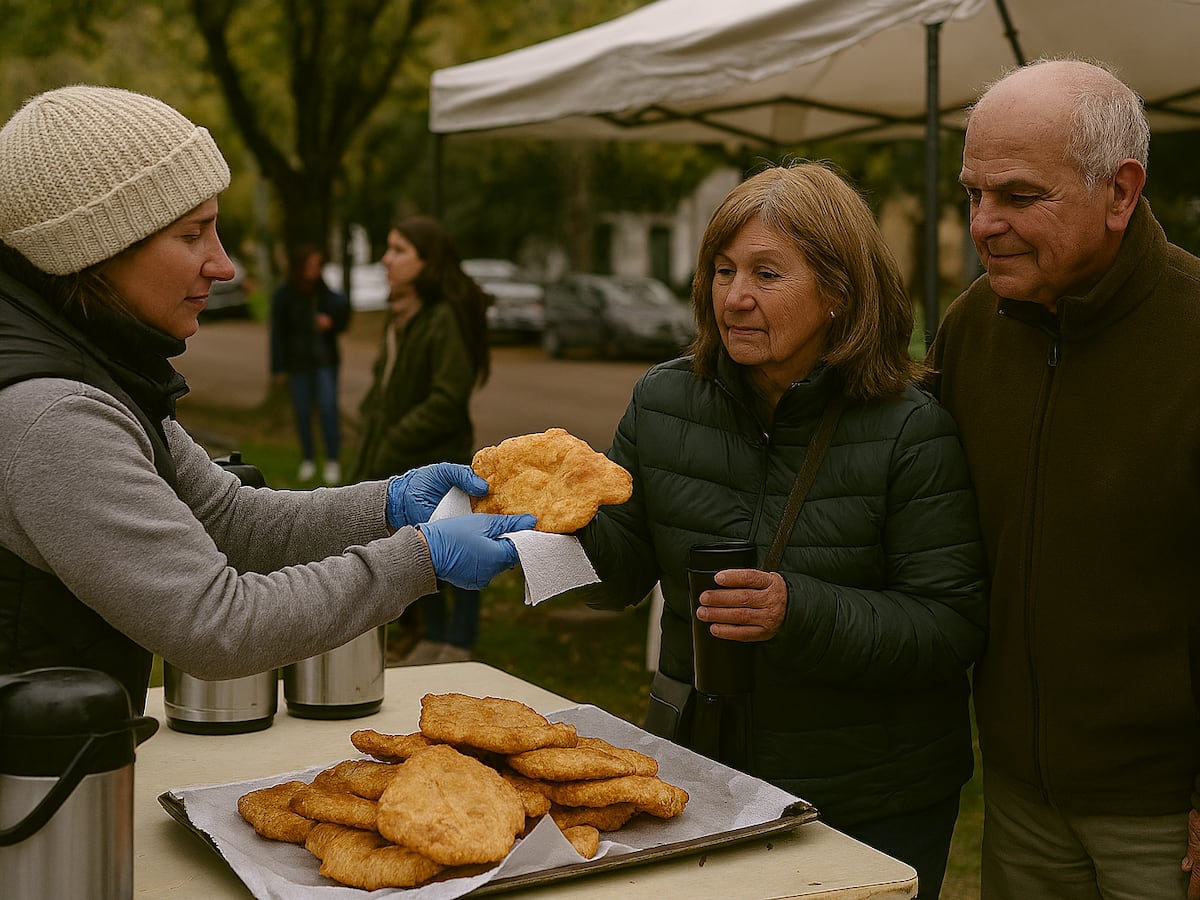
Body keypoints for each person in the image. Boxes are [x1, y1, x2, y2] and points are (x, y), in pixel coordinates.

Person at [0, 84, 535, 716]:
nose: (223, 266)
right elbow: (216, 622)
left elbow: (228, 520)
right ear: (98, 249)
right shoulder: (56, 414)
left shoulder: (104, 367)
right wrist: (421, 558)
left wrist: (387, 505)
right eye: (194, 234)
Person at [576, 161, 988, 898]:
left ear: (839, 291)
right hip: (707, 771)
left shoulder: (910, 430)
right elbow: (622, 575)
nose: (735, 297)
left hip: (871, 794)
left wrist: (796, 611)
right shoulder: (665, 400)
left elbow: (951, 624)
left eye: (768, 274)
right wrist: (550, 531)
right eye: (723, 269)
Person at [928, 57, 1200, 900]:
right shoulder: (972, 326)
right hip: (1014, 797)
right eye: (973, 194)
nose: (984, 224)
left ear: (1120, 193)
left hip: (1164, 813)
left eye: (1018, 195)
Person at [349, 215, 491, 666]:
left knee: (460, 546)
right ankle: (432, 637)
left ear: (427, 262)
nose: (386, 259)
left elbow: (448, 397)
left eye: (399, 250)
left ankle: (459, 643)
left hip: (438, 461)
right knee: (422, 547)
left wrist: (393, 439)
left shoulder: (442, 319)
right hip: (404, 462)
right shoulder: (404, 317)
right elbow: (385, 391)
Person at [269, 242, 350, 485]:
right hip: (299, 364)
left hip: (325, 361)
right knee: (302, 411)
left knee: (328, 409)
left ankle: (333, 459)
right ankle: (308, 459)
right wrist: (278, 368)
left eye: (319, 264)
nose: (316, 269)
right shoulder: (285, 295)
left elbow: (342, 313)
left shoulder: (324, 293)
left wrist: (331, 322)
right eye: (312, 264)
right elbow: (278, 334)